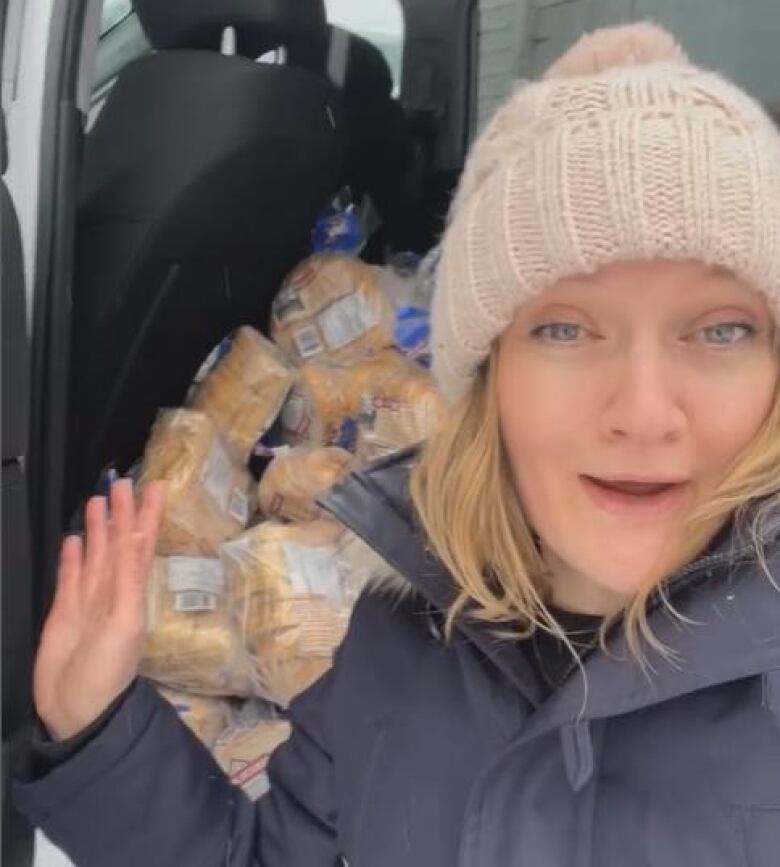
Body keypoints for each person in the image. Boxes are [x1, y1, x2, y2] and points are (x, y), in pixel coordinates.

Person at [12, 21, 780, 867]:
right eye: (565, 328)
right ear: (484, 378)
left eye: (720, 331)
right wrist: (99, 733)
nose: (643, 411)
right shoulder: (396, 643)